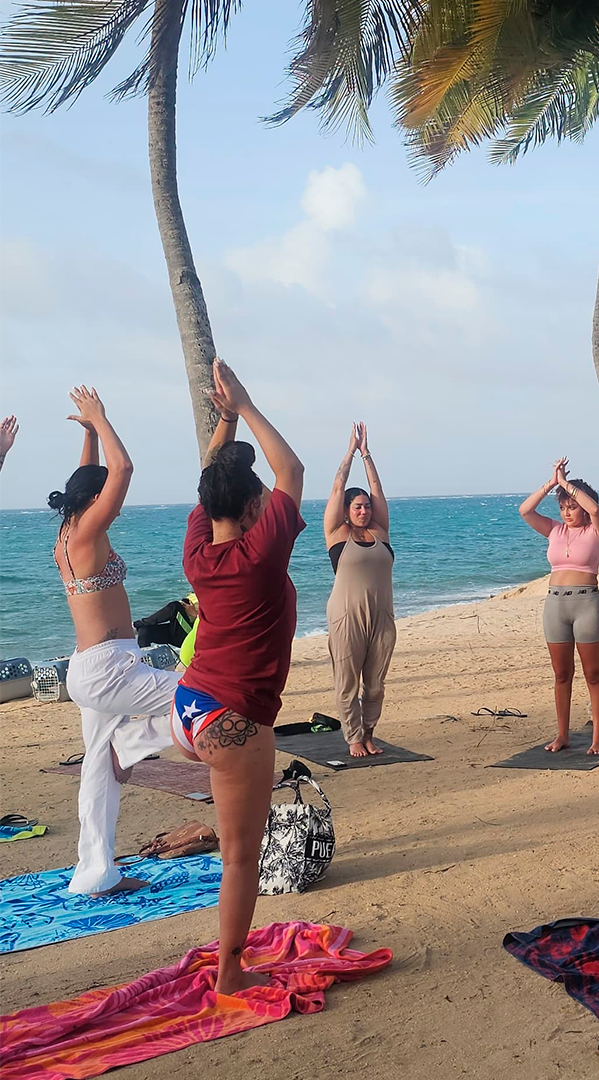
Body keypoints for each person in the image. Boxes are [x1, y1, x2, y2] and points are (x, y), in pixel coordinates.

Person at [171, 358, 305, 994]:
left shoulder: (199, 549)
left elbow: (211, 482)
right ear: (255, 507)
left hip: (189, 704)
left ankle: (233, 959)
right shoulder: (259, 550)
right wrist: (246, 405)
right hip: (232, 721)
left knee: (236, 848)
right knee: (241, 858)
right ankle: (230, 973)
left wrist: (224, 422)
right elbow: (293, 472)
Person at [49, 387, 177, 896]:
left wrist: (86, 436)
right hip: (109, 669)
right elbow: (122, 472)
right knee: (207, 695)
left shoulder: (70, 531)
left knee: (96, 772)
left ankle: (96, 873)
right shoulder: (86, 536)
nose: (114, 508)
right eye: (105, 500)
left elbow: (91, 479)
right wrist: (101, 419)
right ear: (94, 501)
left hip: (90, 666)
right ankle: (135, 742)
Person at [519, 457, 599, 753]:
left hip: (587, 604)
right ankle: (563, 735)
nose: (566, 512)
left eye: (571, 506)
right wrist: (551, 484)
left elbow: (596, 509)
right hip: (555, 605)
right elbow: (525, 510)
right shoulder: (555, 530)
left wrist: (568, 486)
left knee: (593, 674)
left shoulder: (597, 531)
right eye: (562, 507)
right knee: (561, 674)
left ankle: (598, 737)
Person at [323, 421, 396, 758]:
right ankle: (352, 737)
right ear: (347, 512)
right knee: (348, 681)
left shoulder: (381, 532)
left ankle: (368, 734)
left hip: (382, 616)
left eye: (366, 506)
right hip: (346, 616)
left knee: (376, 683)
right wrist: (350, 452)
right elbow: (338, 486)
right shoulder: (337, 534)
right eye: (358, 507)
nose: (364, 510)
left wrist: (368, 454)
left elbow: (378, 490)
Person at [134, 593, 198, 648]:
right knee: (145, 630)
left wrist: (195, 614)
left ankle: (137, 624)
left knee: (175, 606)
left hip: (193, 636)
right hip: (181, 631)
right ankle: (144, 658)